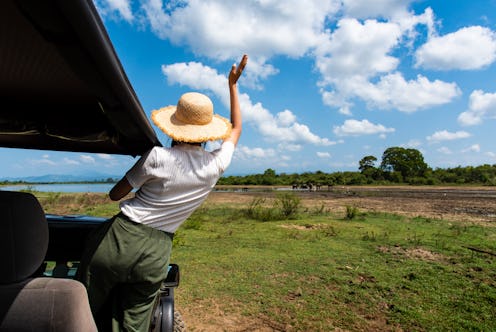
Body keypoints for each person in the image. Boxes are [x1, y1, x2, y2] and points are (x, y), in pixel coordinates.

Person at [78, 54, 248, 331]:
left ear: (175, 126)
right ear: (206, 133)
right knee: (134, 323)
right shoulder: (216, 164)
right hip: (157, 251)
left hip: (120, 237)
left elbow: (115, 195)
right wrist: (233, 85)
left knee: (81, 309)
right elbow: (237, 128)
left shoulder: (156, 156)